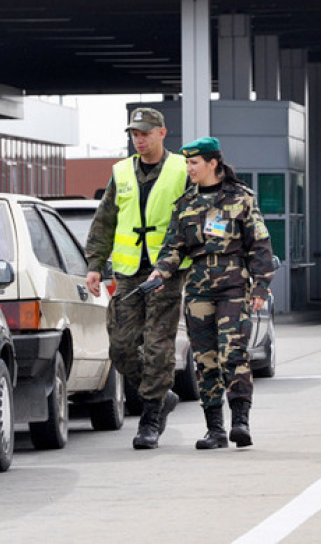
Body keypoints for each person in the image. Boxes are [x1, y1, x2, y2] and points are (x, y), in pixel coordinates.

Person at [148, 136, 274, 450]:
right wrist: (160, 272)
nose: (188, 168)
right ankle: (215, 429)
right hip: (198, 289)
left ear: (212, 163)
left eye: (194, 163)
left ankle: (240, 421)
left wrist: (260, 285)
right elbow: (172, 248)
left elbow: (260, 245)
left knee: (233, 352)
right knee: (205, 360)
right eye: (187, 162)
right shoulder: (186, 203)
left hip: (233, 285)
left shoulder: (241, 198)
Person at [85, 107, 190, 450]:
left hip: (166, 271)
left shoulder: (180, 169)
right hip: (129, 273)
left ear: (162, 133)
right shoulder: (121, 172)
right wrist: (95, 264)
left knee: (159, 345)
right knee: (121, 346)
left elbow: (194, 218)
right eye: (134, 134)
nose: (139, 139)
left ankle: (150, 417)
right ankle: (161, 395)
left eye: (145, 133)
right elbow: (105, 220)